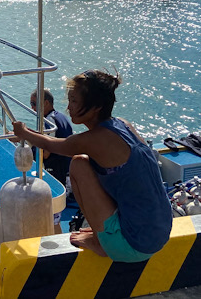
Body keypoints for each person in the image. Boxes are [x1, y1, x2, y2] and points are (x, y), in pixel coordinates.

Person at [12, 69, 172, 261]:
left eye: (74, 101)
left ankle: (99, 240)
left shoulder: (95, 140)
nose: (68, 108)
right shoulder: (122, 124)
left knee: (79, 164)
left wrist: (22, 131)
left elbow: (49, 145)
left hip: (133, 245)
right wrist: (26, 132)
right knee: (90, 164)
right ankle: (104, 233)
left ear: (96, 107)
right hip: (159, 234)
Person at [30, 88, 74, 233]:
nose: (32, 108)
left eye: (34, 104)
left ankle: (55, 244)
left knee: (52, 216)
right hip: (68, 173)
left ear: (46, 103)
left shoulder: (48, 122)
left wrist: (29, 142)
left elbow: (46, 154)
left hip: (58, 176)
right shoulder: (60, 117)